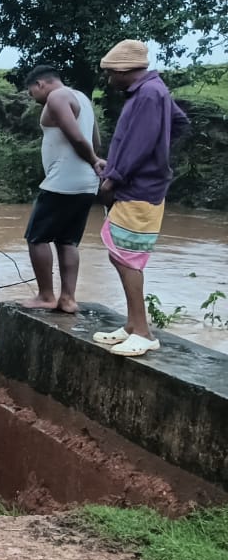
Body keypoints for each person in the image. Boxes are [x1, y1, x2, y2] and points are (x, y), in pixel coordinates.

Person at [91, 40, 190, 357]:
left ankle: (144, 332)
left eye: (110, 74)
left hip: (137, 187)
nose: (109, 81)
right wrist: (135, 160)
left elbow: (140, 143)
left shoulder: (148, 94)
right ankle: (133, 325)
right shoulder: (154, 89)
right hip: (141, 182)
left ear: (122, 70)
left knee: (126, 257)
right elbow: (178, 123)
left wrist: (114, 177)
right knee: (120, 253)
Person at [21, 65, 107, 314]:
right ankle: (68, 299)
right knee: (67, 240)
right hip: (85, 184)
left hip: (63, 181)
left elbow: (77, 138)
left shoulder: (57, 96)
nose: (33, 98)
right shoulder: (82, 98)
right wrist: (94, 163)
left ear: (40, 84)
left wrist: (93, 161)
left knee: (36, 237)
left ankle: (46, 296)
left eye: (31, 93)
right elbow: (96, 141)